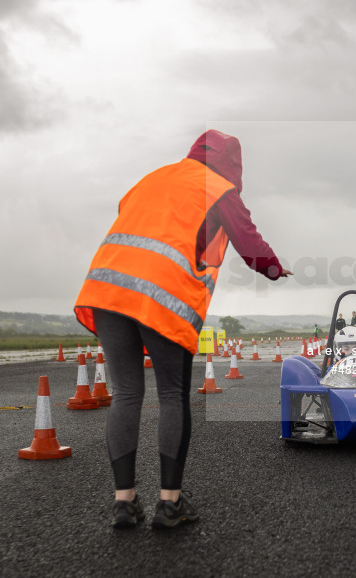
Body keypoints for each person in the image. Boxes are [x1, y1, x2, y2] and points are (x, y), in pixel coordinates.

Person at [74, 129, 292, 529]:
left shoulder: (153, 177)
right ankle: (169, 504)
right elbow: (249, 241)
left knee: (125, 394)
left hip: (107, 290)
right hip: (162, 296)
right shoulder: (219, 188)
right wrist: (274, 268)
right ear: (231, 163)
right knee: (172, 395)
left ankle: (124, 502)